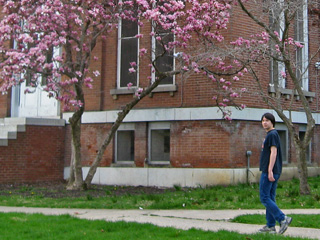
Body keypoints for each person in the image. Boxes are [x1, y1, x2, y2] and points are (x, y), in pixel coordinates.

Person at [258, 113, 292, 234]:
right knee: (270, 197)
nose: (264, 123)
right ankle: (270, 225)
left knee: (264, 197)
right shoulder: (272, 135)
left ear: (272, 122)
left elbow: (274, 152)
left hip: (270, 171)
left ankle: (282, 218)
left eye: (267, 120)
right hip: (274, 170)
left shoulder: (272, 134)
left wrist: (270, 170)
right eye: (263, 120)